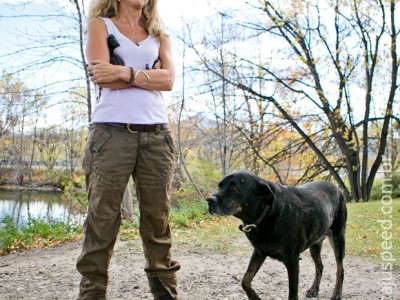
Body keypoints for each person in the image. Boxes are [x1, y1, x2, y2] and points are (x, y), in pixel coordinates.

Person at [76, 0, 180, 299]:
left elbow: (169, 80)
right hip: (110, 134)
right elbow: (101, 76)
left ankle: (165, 294)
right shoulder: (101, 25)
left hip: (157, 136)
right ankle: (92, 295)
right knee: (102, 220)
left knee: (157, 221)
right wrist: (148, 75)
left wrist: (123, 72)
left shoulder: (161, 36)